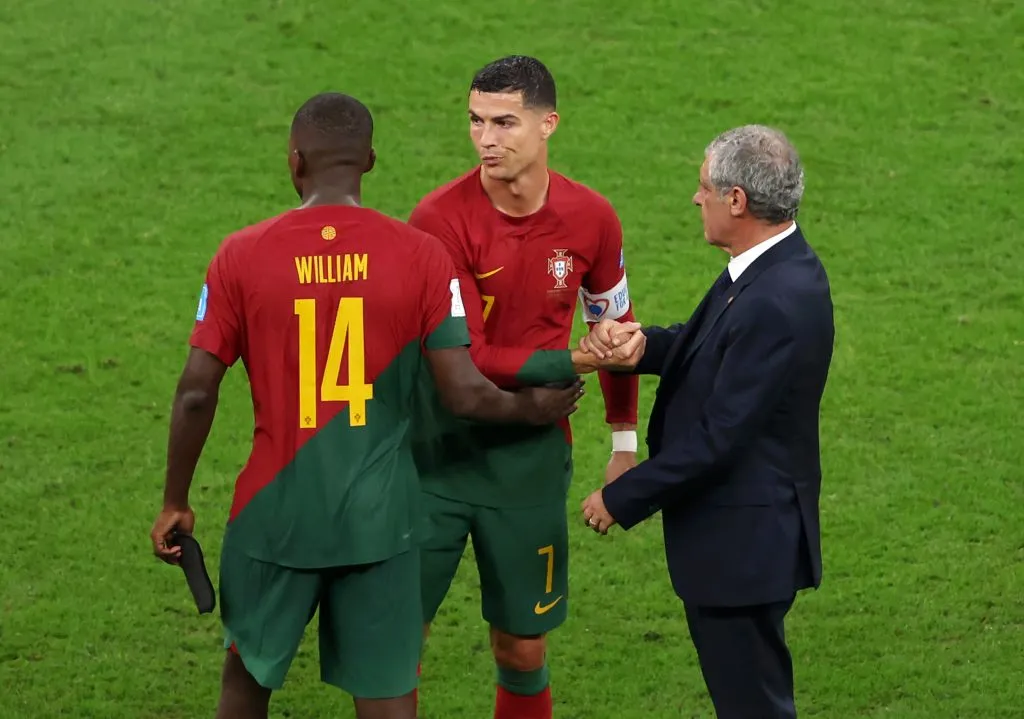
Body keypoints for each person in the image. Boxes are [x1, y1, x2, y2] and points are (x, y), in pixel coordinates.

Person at [148, 92, 585, 719]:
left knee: (243, 693)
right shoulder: (422, 256)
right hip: (381, 522)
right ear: (370, 161)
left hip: (274, 515)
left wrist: (175, 501)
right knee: (387, 701)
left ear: (294, 162)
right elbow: (463, 391)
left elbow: (195, 392)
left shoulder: (240, 254)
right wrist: (534, 411)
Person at [407, 56, 639, 719]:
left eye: (505, 122)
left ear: (548, 124)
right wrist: (572, 360)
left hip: (530, 465)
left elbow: (615, 326)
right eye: (476, 121)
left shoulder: (593, 218)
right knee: (398, 640)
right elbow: (468, 354)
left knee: (522, 648)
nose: (486, 140)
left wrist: (622, 441)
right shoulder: (438, 221)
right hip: (434, 461)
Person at [580, 124, 835, 719]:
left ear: (737, 201)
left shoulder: (776, 296)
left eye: (704, 188)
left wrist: (622, 497)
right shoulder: (768, 267)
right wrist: (643, 347)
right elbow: (713, 349)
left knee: (753, 707)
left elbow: (720, 438)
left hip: (744, 548)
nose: (697, 199)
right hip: (741, 537)